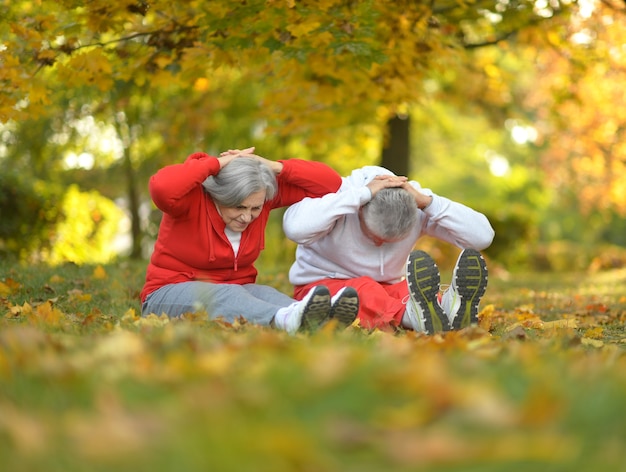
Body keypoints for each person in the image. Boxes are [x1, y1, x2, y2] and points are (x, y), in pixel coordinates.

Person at [140, 147, 359, 334]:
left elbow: (330, 184)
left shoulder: (263, 195)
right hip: (167, 293)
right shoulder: (190, 200)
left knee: (266, 294)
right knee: (229, 294)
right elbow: (162, 187)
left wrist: (272, 166)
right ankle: (286, 321)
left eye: (256, 208)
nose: (247, 217)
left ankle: (320, 322)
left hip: (237, 288)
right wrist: (216, 163)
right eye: (239, 207)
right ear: (218, 196)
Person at [282, 165, 495, 334]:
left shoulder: (417, 203)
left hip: (387, 289)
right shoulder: (342, 195)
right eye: (374, 236)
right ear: (360, 211)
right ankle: (417, 317)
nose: (380, 244)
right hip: (321, 289)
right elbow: (295, 228)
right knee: (364, 290)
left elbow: (482, 237)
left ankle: (447, 307)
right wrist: (359, 195)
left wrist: (429, 203)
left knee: (406, 291)